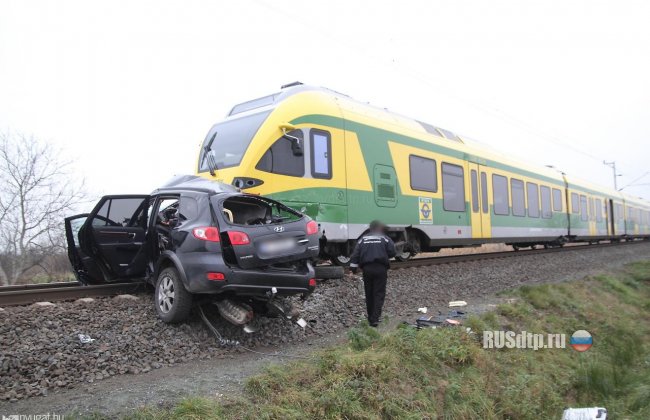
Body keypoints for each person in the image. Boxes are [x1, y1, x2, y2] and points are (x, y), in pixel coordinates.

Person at [349, 220, 396, 327]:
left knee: (369, 293)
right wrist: (384, 254)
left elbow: (355, 255)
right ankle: (375, 319)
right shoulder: (384, 238)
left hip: (367, 269)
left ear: (370, 228)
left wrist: (353, 269)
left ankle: (370, 317)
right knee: (378, 293)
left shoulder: (363, 239)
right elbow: (393, 251)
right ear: (379, 228)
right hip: (380, 269)